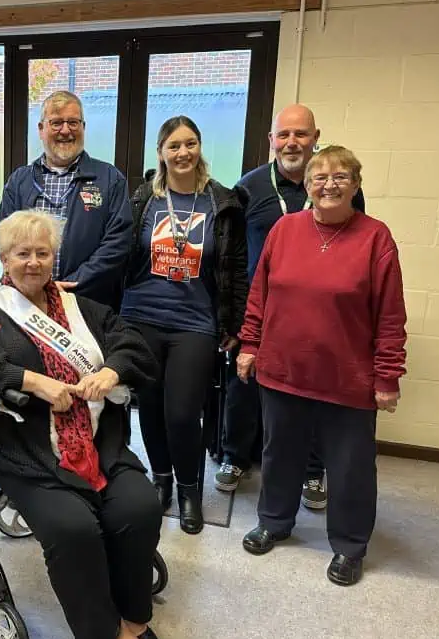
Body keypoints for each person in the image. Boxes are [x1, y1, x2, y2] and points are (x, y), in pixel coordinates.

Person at [0, 210, 162, 639]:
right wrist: (30, 380)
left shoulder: (80, 307)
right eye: (23, 253)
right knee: (74, 528)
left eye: (43, 253)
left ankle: (132, 611)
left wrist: (112, 370)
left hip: (97, 441)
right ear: (4, 258)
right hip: (23, 451)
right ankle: (104, 634)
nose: (34, 262)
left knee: (140, 505)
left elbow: (134, 345)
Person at [237, 146, 406, 587]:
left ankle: (350, 545)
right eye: (320, 177)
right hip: (283, 371)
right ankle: (274, 522)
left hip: (347, 380)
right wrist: (249, 345)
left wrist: (387, 376)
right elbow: (260, 294)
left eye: (340, 176)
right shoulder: (284, 230)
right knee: (280, 455)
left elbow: (390, 315)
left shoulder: (375, 238)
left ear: (356, 184)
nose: (329, 184)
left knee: (350, 466)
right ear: (307, 185)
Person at [218, 103, 365, 509]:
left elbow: (356, 245)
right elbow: (229, 254)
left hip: (318, 315)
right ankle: (234, 458)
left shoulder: (335, 187)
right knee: (242, 388)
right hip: (259, 310)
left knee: (315, 393)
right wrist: (231, 318)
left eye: (301, 134)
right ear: (271, 141)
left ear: (316, 138)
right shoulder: (248, 187)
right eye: (283, 135)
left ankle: (314, 471)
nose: (292, 142)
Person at [121, 116, 247, 535]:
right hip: (142, 316)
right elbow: (121, 253)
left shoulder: (222, 202)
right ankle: (161, 480)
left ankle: (190, 489)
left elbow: (236, 268)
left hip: (196, 321)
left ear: (200, 147)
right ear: (160, 152)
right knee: (151, 408)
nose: (183, 153)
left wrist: (234, 321)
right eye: (173, 145)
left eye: (190, 143)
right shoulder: (143, 199)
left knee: (182, 412)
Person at [0, 90, 132, 308]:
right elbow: (5, 237)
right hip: (28, 302)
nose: (66, 130)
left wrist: (72, 283)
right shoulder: (20, 181)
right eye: (56, 123)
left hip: (89, 301)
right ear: (41, 129)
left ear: (83, 127)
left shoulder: (109, 179)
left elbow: (117, 243)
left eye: (73, 122)